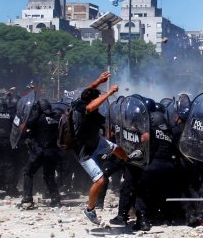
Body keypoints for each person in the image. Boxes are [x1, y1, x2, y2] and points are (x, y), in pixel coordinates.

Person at [74, 72, 138, 225]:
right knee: (100, 180)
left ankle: (129, 161)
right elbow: (91, 105)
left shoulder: (80, 100)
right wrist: (109, 93)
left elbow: (87, 92)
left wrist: (99, 81)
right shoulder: (85, 109)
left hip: (96, 140)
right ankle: (90, 210)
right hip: (84, 149)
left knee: (118, 149)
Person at [20, 99, 62, 208]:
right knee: (49, 175)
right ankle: (56, 199)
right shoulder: (56, 117)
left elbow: (24, 127)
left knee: (27, 172)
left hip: (39, 151)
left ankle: (27, 199)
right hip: (53, 152)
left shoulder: (38, 118)